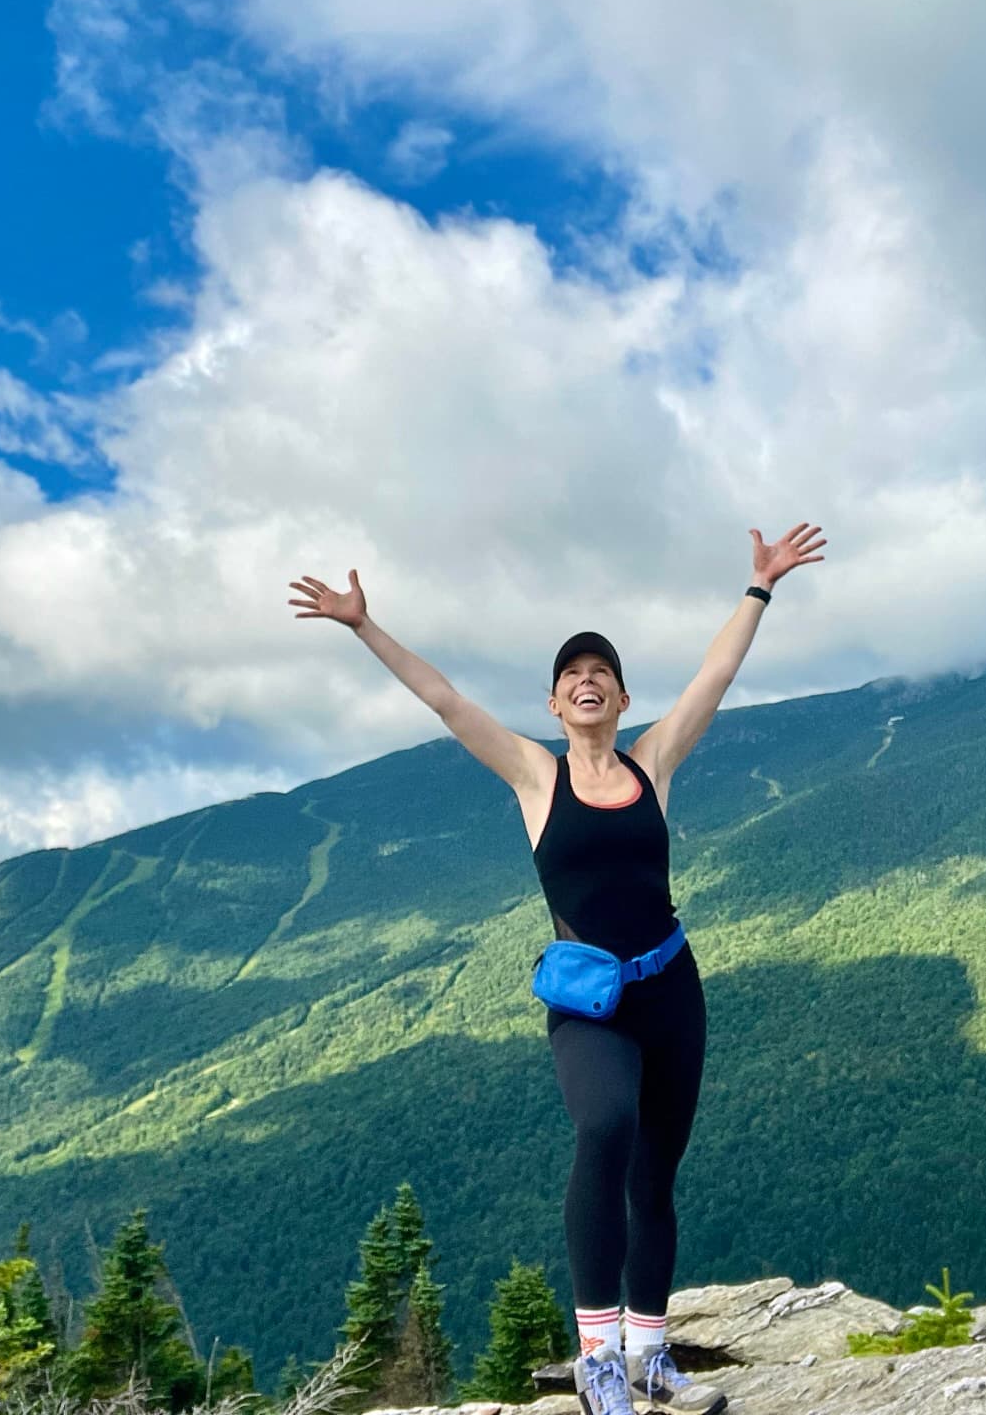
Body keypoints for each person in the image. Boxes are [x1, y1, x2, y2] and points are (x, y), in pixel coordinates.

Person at [288, 523, 827, 1415]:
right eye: (572, 674)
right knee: (605, 1126)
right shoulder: (536, 778)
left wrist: (759, 587)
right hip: (588, 1000)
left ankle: (652, 1359)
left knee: (657, 1174)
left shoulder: (652, 766)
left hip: (671, 989)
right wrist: (362, 626)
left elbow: (715, 679)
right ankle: (598, 1359)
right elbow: (446, 701)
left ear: (620, 698)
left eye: (601, 673)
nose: (587, 681)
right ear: (553, 703)